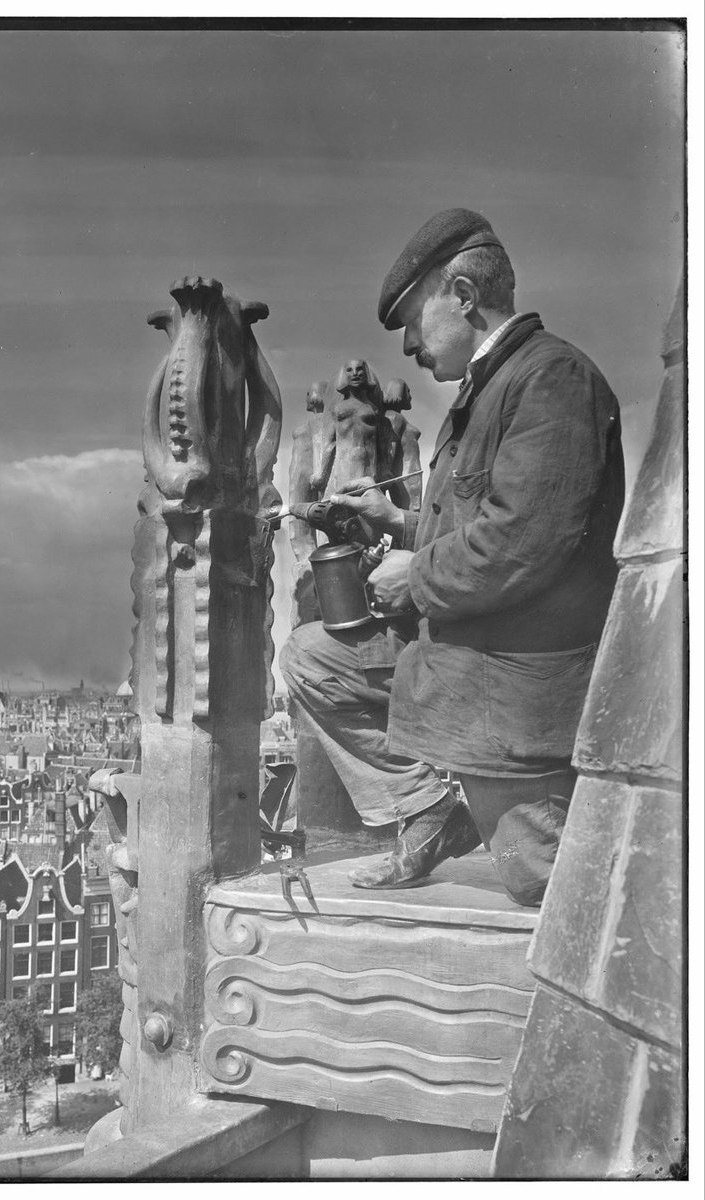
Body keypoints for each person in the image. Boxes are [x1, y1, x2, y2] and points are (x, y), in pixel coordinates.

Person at [280, 208, 625, 906]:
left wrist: (417, 574)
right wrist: (399, 525)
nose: (407, 346)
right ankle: (431, 809)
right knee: (312, 655)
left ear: (464, 297)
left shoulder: (551, 380)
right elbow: (479, 528)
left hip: (509, 694)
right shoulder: (485, 393)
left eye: (413, 320)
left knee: (548, 887)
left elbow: (524, 544)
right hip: (459, 655)